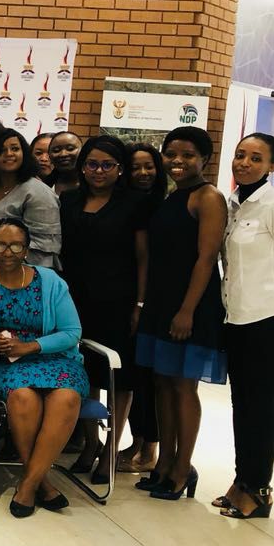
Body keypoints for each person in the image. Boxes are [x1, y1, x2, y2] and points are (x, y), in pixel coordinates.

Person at [0, 217, 87, 517]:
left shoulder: (51, 281)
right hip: (7, 361)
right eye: (0, 245)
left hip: (55, 358)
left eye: (16, 245)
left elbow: (72, 331)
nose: (8, 252)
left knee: (67, 397)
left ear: (27, 249)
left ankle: (28, 485)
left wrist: (30, 346)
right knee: (22, 398)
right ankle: (42, 482)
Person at [135, 126, 226, 501]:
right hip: (162, 301)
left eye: (187, 155)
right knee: (163, 383)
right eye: (171, 153)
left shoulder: (208, 197)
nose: (177, 161)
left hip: (191, 305)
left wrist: (187, 310)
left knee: (184, 386)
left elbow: (206, 259)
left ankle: (182, 467)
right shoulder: (173, 197)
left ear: (204, 159)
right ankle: (164, 463)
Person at [58, 135, 149, 485]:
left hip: (119, 300)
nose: (99, 171)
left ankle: (111, 448)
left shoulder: (134, 203)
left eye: (107, 165)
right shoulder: (70, 199)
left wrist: (140, 303)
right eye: (92, 164)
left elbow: (143, 258)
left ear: (120, 169)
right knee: (84, 371)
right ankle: (90, 442)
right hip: (75, 300)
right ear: (83, 167)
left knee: (118, 376)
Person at [218, 133, 274, 519]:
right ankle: (242, 481)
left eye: (256, 158)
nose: (244, 163)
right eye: (240, 155)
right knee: (243, 404)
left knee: (261, 407)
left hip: (265, 320)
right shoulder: (234, 203)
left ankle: (258, 490)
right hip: (236, 317)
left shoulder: (270, 204)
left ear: (271, 166)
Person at [120, 143, 167, 472]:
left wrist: (141, 302)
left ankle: (149, 449)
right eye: (135, 167)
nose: (142, 173)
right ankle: (137, 443)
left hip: (153, 300)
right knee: (135, 376)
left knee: (149, 379)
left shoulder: (160, 205)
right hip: (130, 297)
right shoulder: (128, 202)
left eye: (148, 166)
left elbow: (146, 258)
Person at [0, 127, 61, 268]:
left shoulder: (38, 192)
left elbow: (42, 251)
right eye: (1, 150)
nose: (9, 154)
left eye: (15, 149)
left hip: (18, 274)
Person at [48, 131, 83, 195]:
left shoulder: (95, 185)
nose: (63, 154)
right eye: (56, 150)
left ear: (83, 151)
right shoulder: (43, 186)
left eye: (70, 149)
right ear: (49, 155)